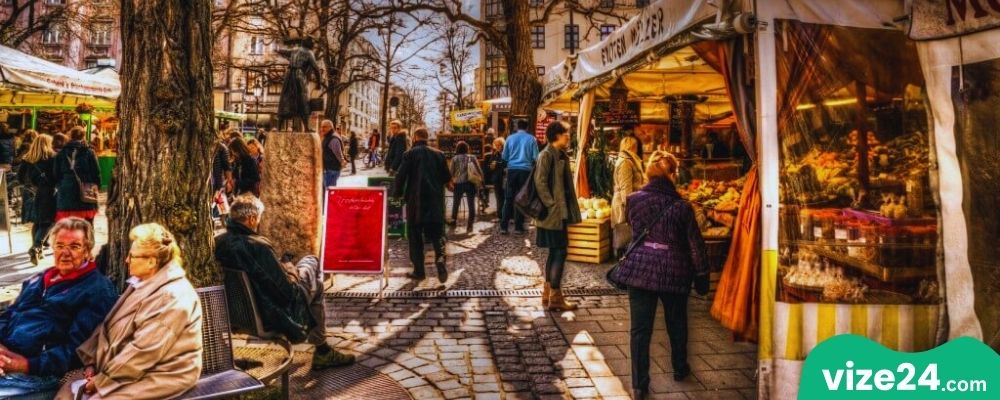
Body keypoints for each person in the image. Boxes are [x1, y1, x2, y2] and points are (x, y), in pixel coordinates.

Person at [56, 223, 203, 400]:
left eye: (132, 256)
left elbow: (144, 351)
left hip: (164, 374)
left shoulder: (172, 296)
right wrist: (92, 363)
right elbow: (108, 326)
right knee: (67, 392)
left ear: (151, 261)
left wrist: (102, 381)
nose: (126, 260)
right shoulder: (142, 283)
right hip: (128, 370)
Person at [611, 151, 709, 398]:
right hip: (674, 271)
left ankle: (639, 385)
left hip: (640, 270)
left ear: (648, 174)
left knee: (639, 330)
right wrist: (702, 275)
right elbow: (695, 244)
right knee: (677, 323)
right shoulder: (682, 206)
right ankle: (679, 368)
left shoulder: (633, 199)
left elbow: (636, 232)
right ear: (673, 174)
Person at [216, 195, 355, 369]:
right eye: (258, 218)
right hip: (272, 315)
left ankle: (323, 350)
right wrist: (289, 268)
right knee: (313, 266)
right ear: (251, 218)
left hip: (237, 315)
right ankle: (323, 351)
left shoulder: (219, 242)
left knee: (308, 270)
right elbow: (288, 293)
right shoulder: (258, 246)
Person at [0, 218, 118, 397]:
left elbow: (77, 351)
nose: (65, 253)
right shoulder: (40, 279)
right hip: (6, 359)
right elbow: (9, 314)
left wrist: (27, 365)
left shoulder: (96, 290)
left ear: (87, 251)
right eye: (60, 245)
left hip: (39, 374)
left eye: (75, 246)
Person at [392, 128, 452, 283]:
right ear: (427, 138)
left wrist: (397, 193)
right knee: (437, 235)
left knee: (415, 236)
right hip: (434, 201)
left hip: (415, 201)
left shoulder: (409, 154)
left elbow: (401, 176)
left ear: (414, 137)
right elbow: (447, 177)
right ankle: (440, 258)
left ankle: (419, 271)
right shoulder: (439, 154)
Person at [534, 122, 582, 311]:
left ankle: (548, 294)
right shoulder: (547, 155)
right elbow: (540, 182)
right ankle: (555, 297)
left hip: (557, 213)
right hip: (553, 214)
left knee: (555, 252)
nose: (568, 137)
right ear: (556, 135)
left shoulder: (559, 154)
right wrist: (552, 204)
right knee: (560, 252)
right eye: (565, 134)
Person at [18, 134, 58, 265]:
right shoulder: (52, 158)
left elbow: (20, 178)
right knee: (48, 221)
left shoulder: (27, 159)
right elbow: (57, 176)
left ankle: (38, 251)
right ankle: (36, 246)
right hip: (48, 193)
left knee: (37, 221)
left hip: (31, 193)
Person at [500, 118, 539, 234]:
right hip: (525, 172)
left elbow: (504, 157)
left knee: (508, 199)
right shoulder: (531, 139)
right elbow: (536, 157)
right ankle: (518, 227)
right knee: (521, 199)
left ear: (517, 127)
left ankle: (503, 226)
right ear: (527, 127)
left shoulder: (510, 138)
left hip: (512, 171)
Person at [54, 127, 100, 223]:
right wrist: (96, 187)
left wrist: (61, 185)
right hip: (86, 191)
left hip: (66, 192)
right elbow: (96, 173)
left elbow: (56, 174)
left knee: (68, 224)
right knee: (87, 224)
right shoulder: (89, 152)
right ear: (83, 136)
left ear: (70, 136)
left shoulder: (61, 153)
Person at [612, 136, 646, 258]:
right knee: (624, 230)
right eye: (635, 146)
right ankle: (621, 256)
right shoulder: (625, 162)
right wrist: (629, 207)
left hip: (631, 200)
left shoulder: (632, 160)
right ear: (632, 147)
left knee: (628, 230)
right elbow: (626, 188)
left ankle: (626, 255)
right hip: (624, 202)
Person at [448, 141, 483, 232]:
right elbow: (479, 171)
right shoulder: (472, 157)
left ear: (457, 149)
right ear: (467, 149)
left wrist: (450, 182)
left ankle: (453, 221)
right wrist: (481, 181)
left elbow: (451, 173)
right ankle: (470, 225)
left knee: (456, 203)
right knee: (471, 204)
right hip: (470, 183)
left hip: (458, 184)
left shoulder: (455, 159)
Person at [482, 137, 506, 218]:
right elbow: (489, 166)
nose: (497, 146)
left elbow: (506, 163)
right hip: (496, 178)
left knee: (505, 196)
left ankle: (505, 214)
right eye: (496, 145)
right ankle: (500, 214)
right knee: (498, 197)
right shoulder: (495, 154)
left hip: (504, 178)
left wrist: (497, 164)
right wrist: (491, 167)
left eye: (499, 145)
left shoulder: (506, 153)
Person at [320, 120, 347, 187]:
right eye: (322, 127)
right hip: (329, 168)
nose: (322, 129)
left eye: (325, 127)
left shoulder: (333, 138)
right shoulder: (328, 137)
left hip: (332, 169)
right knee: (328, 189)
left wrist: (342, 161)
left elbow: (338, 153)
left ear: (330, 127)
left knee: (330, 189)